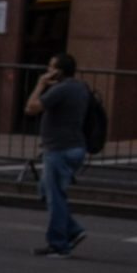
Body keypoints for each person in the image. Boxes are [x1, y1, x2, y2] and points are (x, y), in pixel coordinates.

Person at [27, 53, 93, 257]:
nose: (47, 71)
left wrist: (40, 84)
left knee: (55, 198)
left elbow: (31, 108)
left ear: (59, 71)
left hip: (59, 149)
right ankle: (73, 231)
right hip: (74, 146)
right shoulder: (81, 87)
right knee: (47, 191)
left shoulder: (61, 89)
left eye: (50, 67)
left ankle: (59, 245)